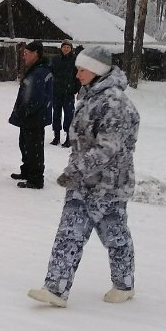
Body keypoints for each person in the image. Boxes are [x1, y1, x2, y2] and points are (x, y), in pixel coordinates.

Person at [27, 44, 140, 308]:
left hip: (108, 185)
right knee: (70, 233)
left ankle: (124, 284)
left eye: (82, 70)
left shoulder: (115, 103)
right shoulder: (90, 97)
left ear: (97, 71)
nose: (77, 74)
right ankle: (55, 289)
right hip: (85, 183)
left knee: (115, 235)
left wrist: (75, 170)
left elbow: (107, 149)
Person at [9, 40, 53, 190]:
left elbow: (37, 98)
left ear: (36, 54)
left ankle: (35, 179)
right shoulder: (36, 69)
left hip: (35, 117)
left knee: (34, 148)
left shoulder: (40, 72)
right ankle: (27, 171)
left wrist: (25, 111)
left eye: (26, 53)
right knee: (26, 145)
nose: (24, 56)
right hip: (30, 117)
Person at [49, 39, 79, 147]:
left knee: (69, 115)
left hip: (69, 92)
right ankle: (56, 137)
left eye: (68, 47)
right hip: (56, 91)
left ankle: (68, 138)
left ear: (71, 49)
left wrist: (77, 89)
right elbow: (50, 73)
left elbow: (79, 76)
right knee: (56, 114)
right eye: (64, 47)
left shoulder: (75, 60)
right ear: (61, 48)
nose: (66, 49)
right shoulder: (56, 59)